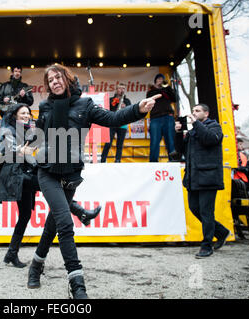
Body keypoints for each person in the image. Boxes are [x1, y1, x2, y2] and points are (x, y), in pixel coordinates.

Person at [26, 64, 160, 299]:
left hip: (71, 174)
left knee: (53, 224)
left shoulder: (85, 104)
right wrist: (28, 144)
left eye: (58, 77)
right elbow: (38, 134)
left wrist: (138, 109)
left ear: (67, 79)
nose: (55, 82)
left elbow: (113, 118)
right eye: (50, 79)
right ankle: (76, 282)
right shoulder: (45, 106)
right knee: (65, 223)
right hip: (46, 171)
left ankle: (36, 265)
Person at [0, 103, 101, 268]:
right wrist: (32, 158)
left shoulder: (29, 131)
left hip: (25, 175)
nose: (26, 115)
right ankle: (81, 213)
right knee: (52, 186)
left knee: (24, 216)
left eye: (28, 113)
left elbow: (32, 151)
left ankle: (11, 253)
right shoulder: (9, 130)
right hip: (16, 176)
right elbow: (13, 153)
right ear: (15, 115)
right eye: (22, 113)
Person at [174, 103, 230, 259]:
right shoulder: (194, 131)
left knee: (206, 212)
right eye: (193, 111)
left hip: (208, 177)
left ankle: (206, 245)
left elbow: (209, 139)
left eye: (197, 111)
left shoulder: (214, 127)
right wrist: (178, 133)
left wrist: (196, 123)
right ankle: (221, 232)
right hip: (194, 177)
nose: (194, 113)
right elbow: (180, 151)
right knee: (194, 208)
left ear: (206, 113)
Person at [146, 73, 177, 162]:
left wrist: (167, 88)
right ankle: (153, 161)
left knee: (170, 140)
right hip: (156, 118)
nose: (160, 81)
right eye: (158, 79)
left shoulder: (167, 90)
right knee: (155, 141)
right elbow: (149, 99)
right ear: (155, 81)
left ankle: (172, 160)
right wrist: (157, 88)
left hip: (168, 117)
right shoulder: (151, 91)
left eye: (162, 79)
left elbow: (174, 98)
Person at [100, 83, 131, 163]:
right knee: (108, 142)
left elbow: (130, 112)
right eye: (120, 88)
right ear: (116, 90)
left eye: (123, 89)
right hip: (112, 122)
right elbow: (107, 109)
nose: (122, 90)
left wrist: (126, 107)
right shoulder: (111, 99)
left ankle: (118, 160)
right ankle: (103, 159)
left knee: (120, 144)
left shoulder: (127, 101)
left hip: (123, 124)